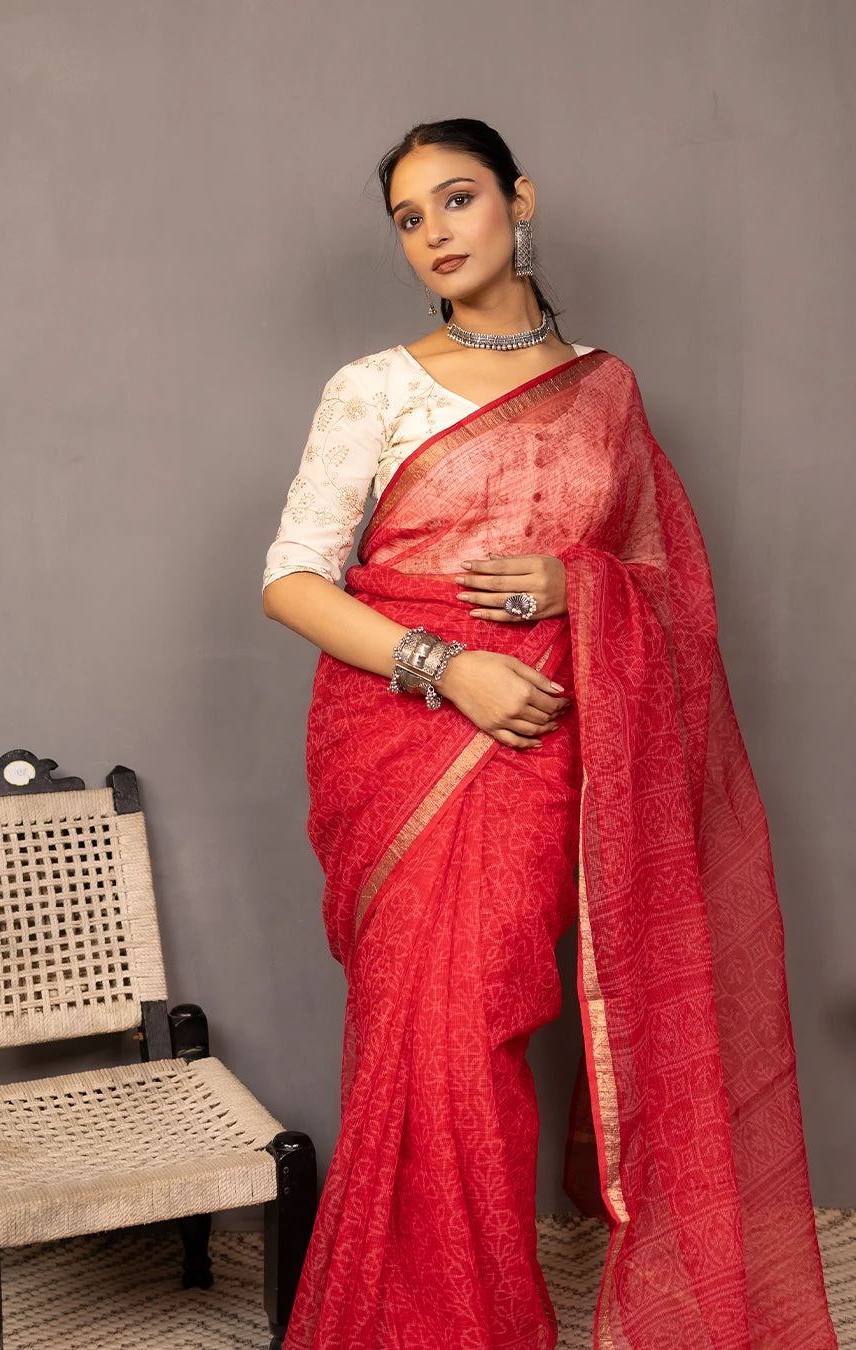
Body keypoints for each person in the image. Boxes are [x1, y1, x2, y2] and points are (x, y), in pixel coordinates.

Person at [262, 118, 837, 1350]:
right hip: (408, 738)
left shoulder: (606, 392)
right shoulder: (373, 387)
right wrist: (448, 668)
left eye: (456, 199)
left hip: (543, 752)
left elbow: (671, 589)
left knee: (485, 1030)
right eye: (408, 218)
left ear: (519, 200)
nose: (433, 233)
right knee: (426, 1044)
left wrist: (579, 587)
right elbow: (292, 579)